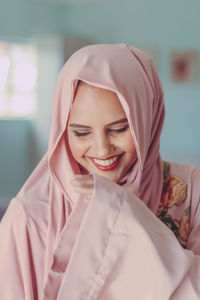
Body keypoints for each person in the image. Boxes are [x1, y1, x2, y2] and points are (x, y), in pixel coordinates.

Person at [0, 43, 200, 299]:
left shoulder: (189, 189)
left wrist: (123, 212)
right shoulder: (28, 217)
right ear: (62, 132)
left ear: (147, 118)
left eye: (118, 129)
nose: (102, 149)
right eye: (81, 132)